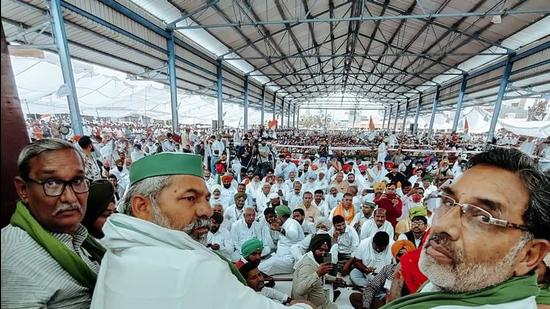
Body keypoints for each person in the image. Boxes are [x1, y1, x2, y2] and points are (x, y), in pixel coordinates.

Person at [91, 152, 309, 308]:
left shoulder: (118, 249)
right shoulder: (189, 267)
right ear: (142, 207)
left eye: (206, 198)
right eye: (190, 198)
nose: (206, 210)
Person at [383, 148, 550, 308]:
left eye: (483, 217)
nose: (442, 225)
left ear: (528, 255)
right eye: (447, 202)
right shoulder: (454, 283)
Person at [2, 139, 104, 307]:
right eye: (51, 183)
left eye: (77, 181)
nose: (70, 198)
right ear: (23, 190)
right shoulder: (12, 260)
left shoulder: (80, 238)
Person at [349, 240, 416, 309]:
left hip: (406, 305)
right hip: (386, 303)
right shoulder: (388, 269)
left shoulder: (417, 272)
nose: (403, 258)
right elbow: (371, 287)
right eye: (399, 255)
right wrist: (366, 306)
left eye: (406, 254)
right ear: (395, 256)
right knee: (355, 297)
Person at [292, 234, 341, 309]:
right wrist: (318, 274)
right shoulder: (307, 265)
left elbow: (321, 274)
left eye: (326, 250)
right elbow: (299, 291)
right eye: (320, 250)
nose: (323, 253)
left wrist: (334, 279)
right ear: (314, 248)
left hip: (322, 300)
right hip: (311, 306)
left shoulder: (315, 259)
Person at [260, 205, 305, 275]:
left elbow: (294, 235)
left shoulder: (292, 222)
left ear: (281, 216)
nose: (274, 218)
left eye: (276, 216)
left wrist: (280, 229)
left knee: (270, 264)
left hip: (291, 260)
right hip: (280, 257)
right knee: (263, 263)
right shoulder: (284, 224)